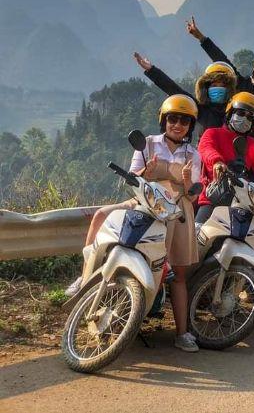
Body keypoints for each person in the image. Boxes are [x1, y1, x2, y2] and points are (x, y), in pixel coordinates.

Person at [68, 95, 202, 352]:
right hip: (146, 204)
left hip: (176, 211)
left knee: (178, 275)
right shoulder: (148, 144)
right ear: (164, 120)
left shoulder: (192, 154)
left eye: (184, 121)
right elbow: (131, 177)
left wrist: (186, 180)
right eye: (173, 119)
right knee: (102, 216)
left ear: (190, 126)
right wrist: (145, 173)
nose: (178, 125)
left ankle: (182, 333)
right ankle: (84, 277)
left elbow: (193, 194)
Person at [196, 91, 254, 328]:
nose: (244, 119)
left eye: (250, 116)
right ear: (230, 113)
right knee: (195, 242)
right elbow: (205, 150)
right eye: (240, 113)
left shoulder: (250, 143)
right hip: (213, 201)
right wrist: (217, 162)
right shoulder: (213, 133)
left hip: (241, 205)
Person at [134, 52, 237, 134]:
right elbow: (175, 90)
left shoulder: (236, 112)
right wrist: (152, 70)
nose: (218, 89)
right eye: (214, 86)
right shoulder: (200, 109)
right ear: (206, 89)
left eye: (222, 86)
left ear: (229, 89)